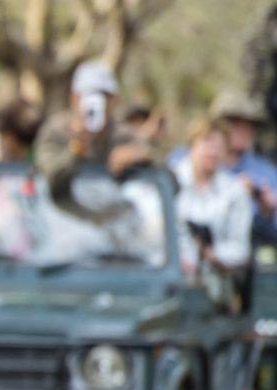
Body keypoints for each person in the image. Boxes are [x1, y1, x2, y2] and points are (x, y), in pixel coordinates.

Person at [34, 59, 153, 202]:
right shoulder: (56, 131)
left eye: (104, 96)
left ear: (115, 100)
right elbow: (49, 178)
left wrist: (139, 156)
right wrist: (76, 149)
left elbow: (168, 178)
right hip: (63, 218)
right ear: (74, 98)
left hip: (112, 218)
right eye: (89, 94)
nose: (98, 102)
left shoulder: (124, 134)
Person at [171, 120, 253, 284]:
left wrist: (210, 254)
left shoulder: (234, 191)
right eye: (207, 143)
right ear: (192, 146)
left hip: (215, 280)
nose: (213, 152)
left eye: (219, 146)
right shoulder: (170, 181)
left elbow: (240, 248)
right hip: (172, 277)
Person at [211, 91, 277, 246]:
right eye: (235, 124)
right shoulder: (192, 160)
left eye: (250, 126)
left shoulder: (265, 173)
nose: (243, 131)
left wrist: (267, 211)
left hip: (248, 257)